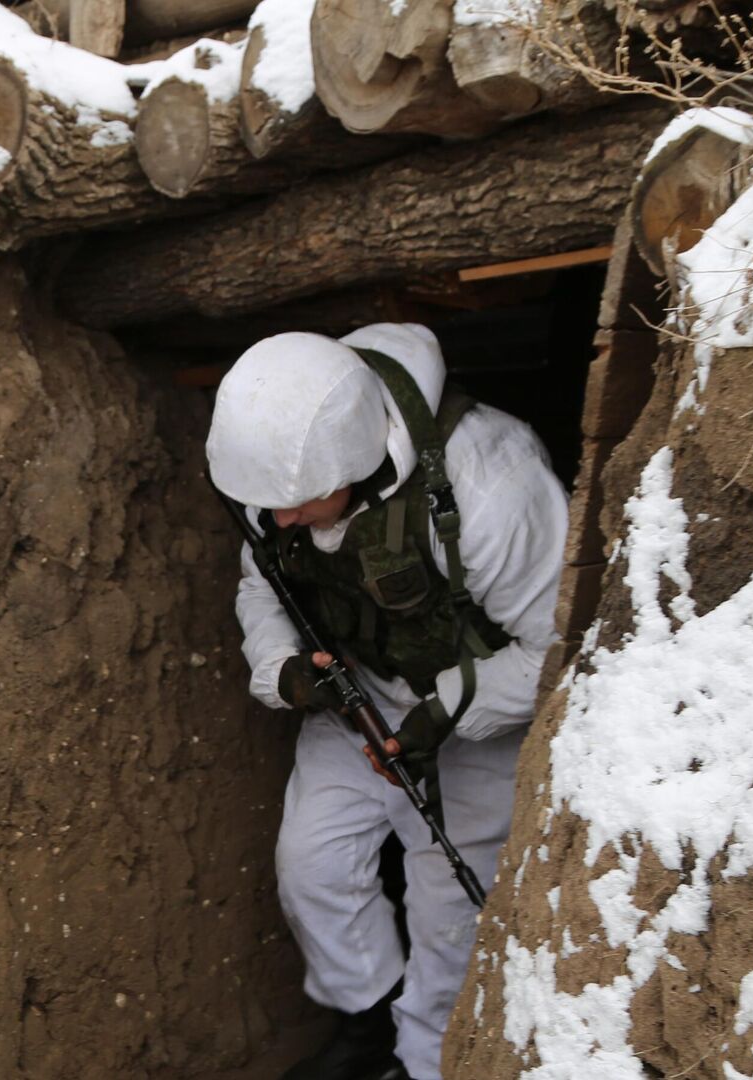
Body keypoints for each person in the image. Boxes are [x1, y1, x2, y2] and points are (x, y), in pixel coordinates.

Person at [205, 323, 566, 1080]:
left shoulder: (491, 485)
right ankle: (369, 1029)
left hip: (478, 713)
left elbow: (556, 652)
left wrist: (444, 716)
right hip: (359, 693)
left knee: (450, 913)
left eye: (300, 502)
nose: (279, 521)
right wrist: (288, 671)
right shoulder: (283, 477)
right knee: (312, 865)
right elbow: (261, 583)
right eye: (267, 505)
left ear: (360, 465)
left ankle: (425, 1060)